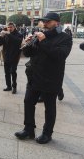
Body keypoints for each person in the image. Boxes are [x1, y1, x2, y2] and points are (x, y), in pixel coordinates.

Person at [15, 13, 72, 144]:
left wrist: (43, 41)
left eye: (48, 21)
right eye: (44, 21)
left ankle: (47, 133)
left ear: (57, 23)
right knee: (28, 102)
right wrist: (28, 43)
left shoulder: (65, 38)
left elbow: (60, 55)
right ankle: (29, 129)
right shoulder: (40, 35)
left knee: (49, 107)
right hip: (34, 76)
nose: (44, 23)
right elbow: (28, 54)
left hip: (51, 77)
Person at [0, 22, 23, 94]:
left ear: (14, 27)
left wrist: (9, 34)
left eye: (11, 27)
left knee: (13, 71)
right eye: (8, 27)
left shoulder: (19, 34)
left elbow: (17, 41)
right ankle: (8, 86)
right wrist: (1, 36)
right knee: (7, 72)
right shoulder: (5, 35)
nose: (9, 28)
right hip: (6, 56)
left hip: (15, 56)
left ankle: (14, 86)